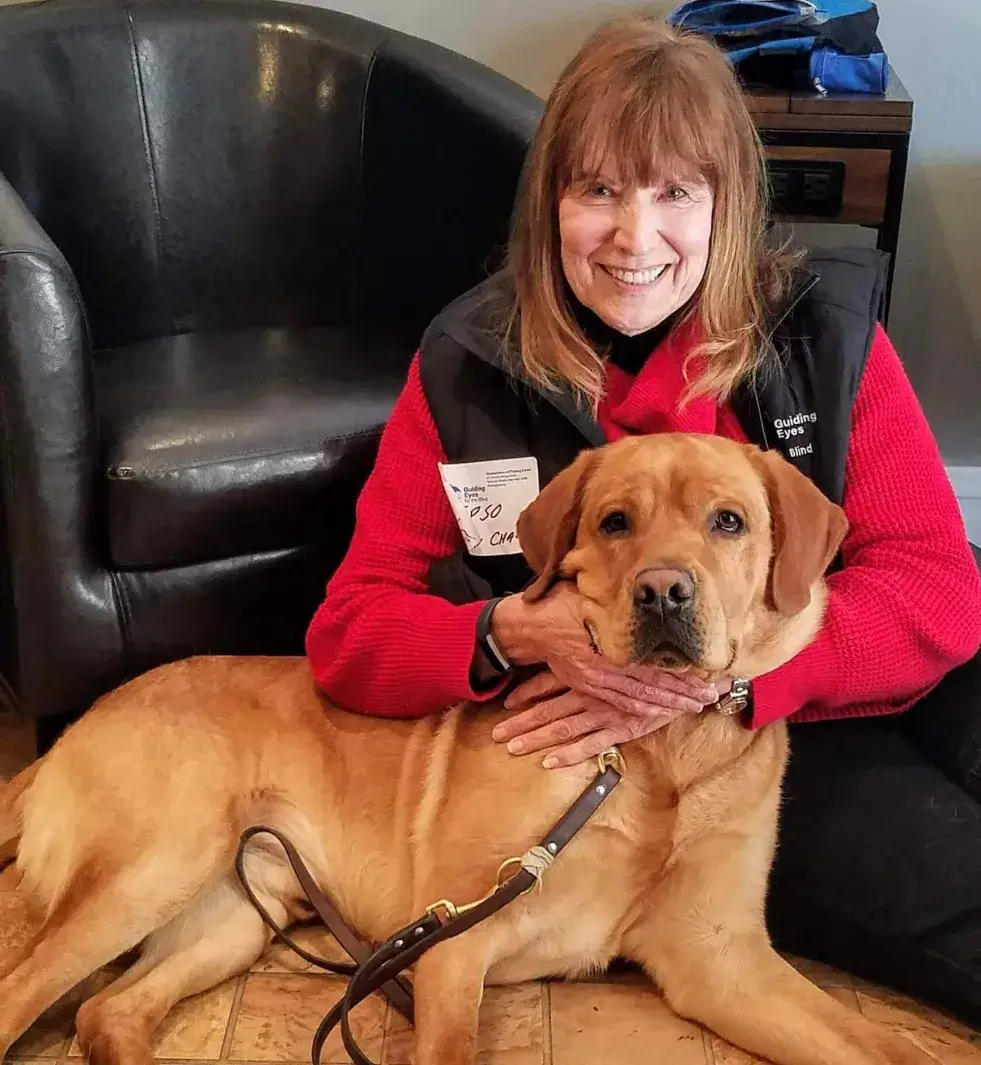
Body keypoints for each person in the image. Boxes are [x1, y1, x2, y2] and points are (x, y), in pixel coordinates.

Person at [305, 15, 981, 1027]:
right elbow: (350, 631)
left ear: (727, 208)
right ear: (551, 207)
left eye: (676, 192)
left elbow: (938, 586)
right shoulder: (467, 366)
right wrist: (503, 633)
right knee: (953, 890)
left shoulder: (824, 335)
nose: (635, 236)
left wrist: (737, 670)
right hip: (757, 768)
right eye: (599, 190)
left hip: (824, 674)